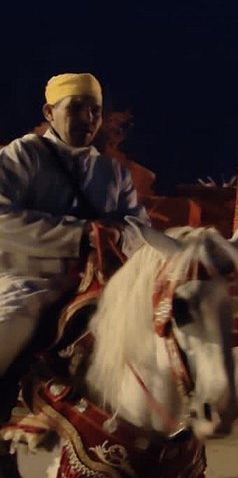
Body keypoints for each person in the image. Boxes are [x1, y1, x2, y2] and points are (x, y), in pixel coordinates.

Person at [0, 72, 150, 415]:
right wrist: (80, 232)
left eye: (95, 110)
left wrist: (118, 234)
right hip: (29, 279)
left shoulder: (113, 174)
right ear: (50, 112)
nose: (88, 118)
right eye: (76, 107)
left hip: (101, 285)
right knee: (13, 321)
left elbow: (141, 230)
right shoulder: (23, 155)